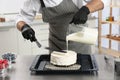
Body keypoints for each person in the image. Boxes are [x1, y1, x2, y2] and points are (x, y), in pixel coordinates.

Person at [16, 0, 104, 54]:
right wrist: (23, 27)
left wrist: (86, 9)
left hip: (80, 45)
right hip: (56, 47)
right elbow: (21, 18)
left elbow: (101, 1)